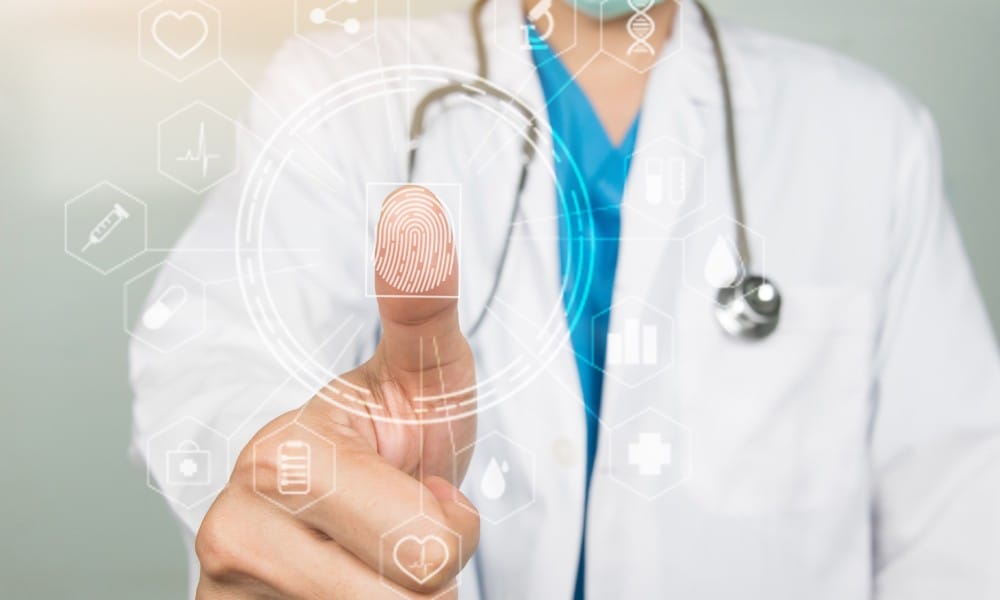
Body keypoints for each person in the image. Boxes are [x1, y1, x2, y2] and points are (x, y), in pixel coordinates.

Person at [130, 0, 1000, 598]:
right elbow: (217, 359)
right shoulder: (342, 94)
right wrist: (304, 489)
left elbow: (962, 517)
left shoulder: (867, 136)